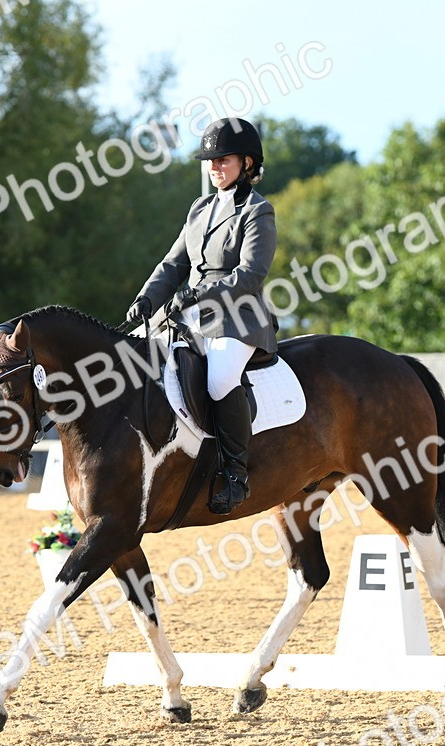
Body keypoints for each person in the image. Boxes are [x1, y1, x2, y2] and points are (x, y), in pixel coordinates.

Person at [125, 117, 278, 515]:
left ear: (247, 163)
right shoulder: (200, 208)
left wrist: (197, 294)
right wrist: (146, 298)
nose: (213, 167)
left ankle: (235, 473)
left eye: (222, 159)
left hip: (237, 317)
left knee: (220, 378)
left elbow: (251, 273)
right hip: (187, 313)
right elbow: (173, 263)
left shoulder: (258, 211)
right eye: (209, 160)